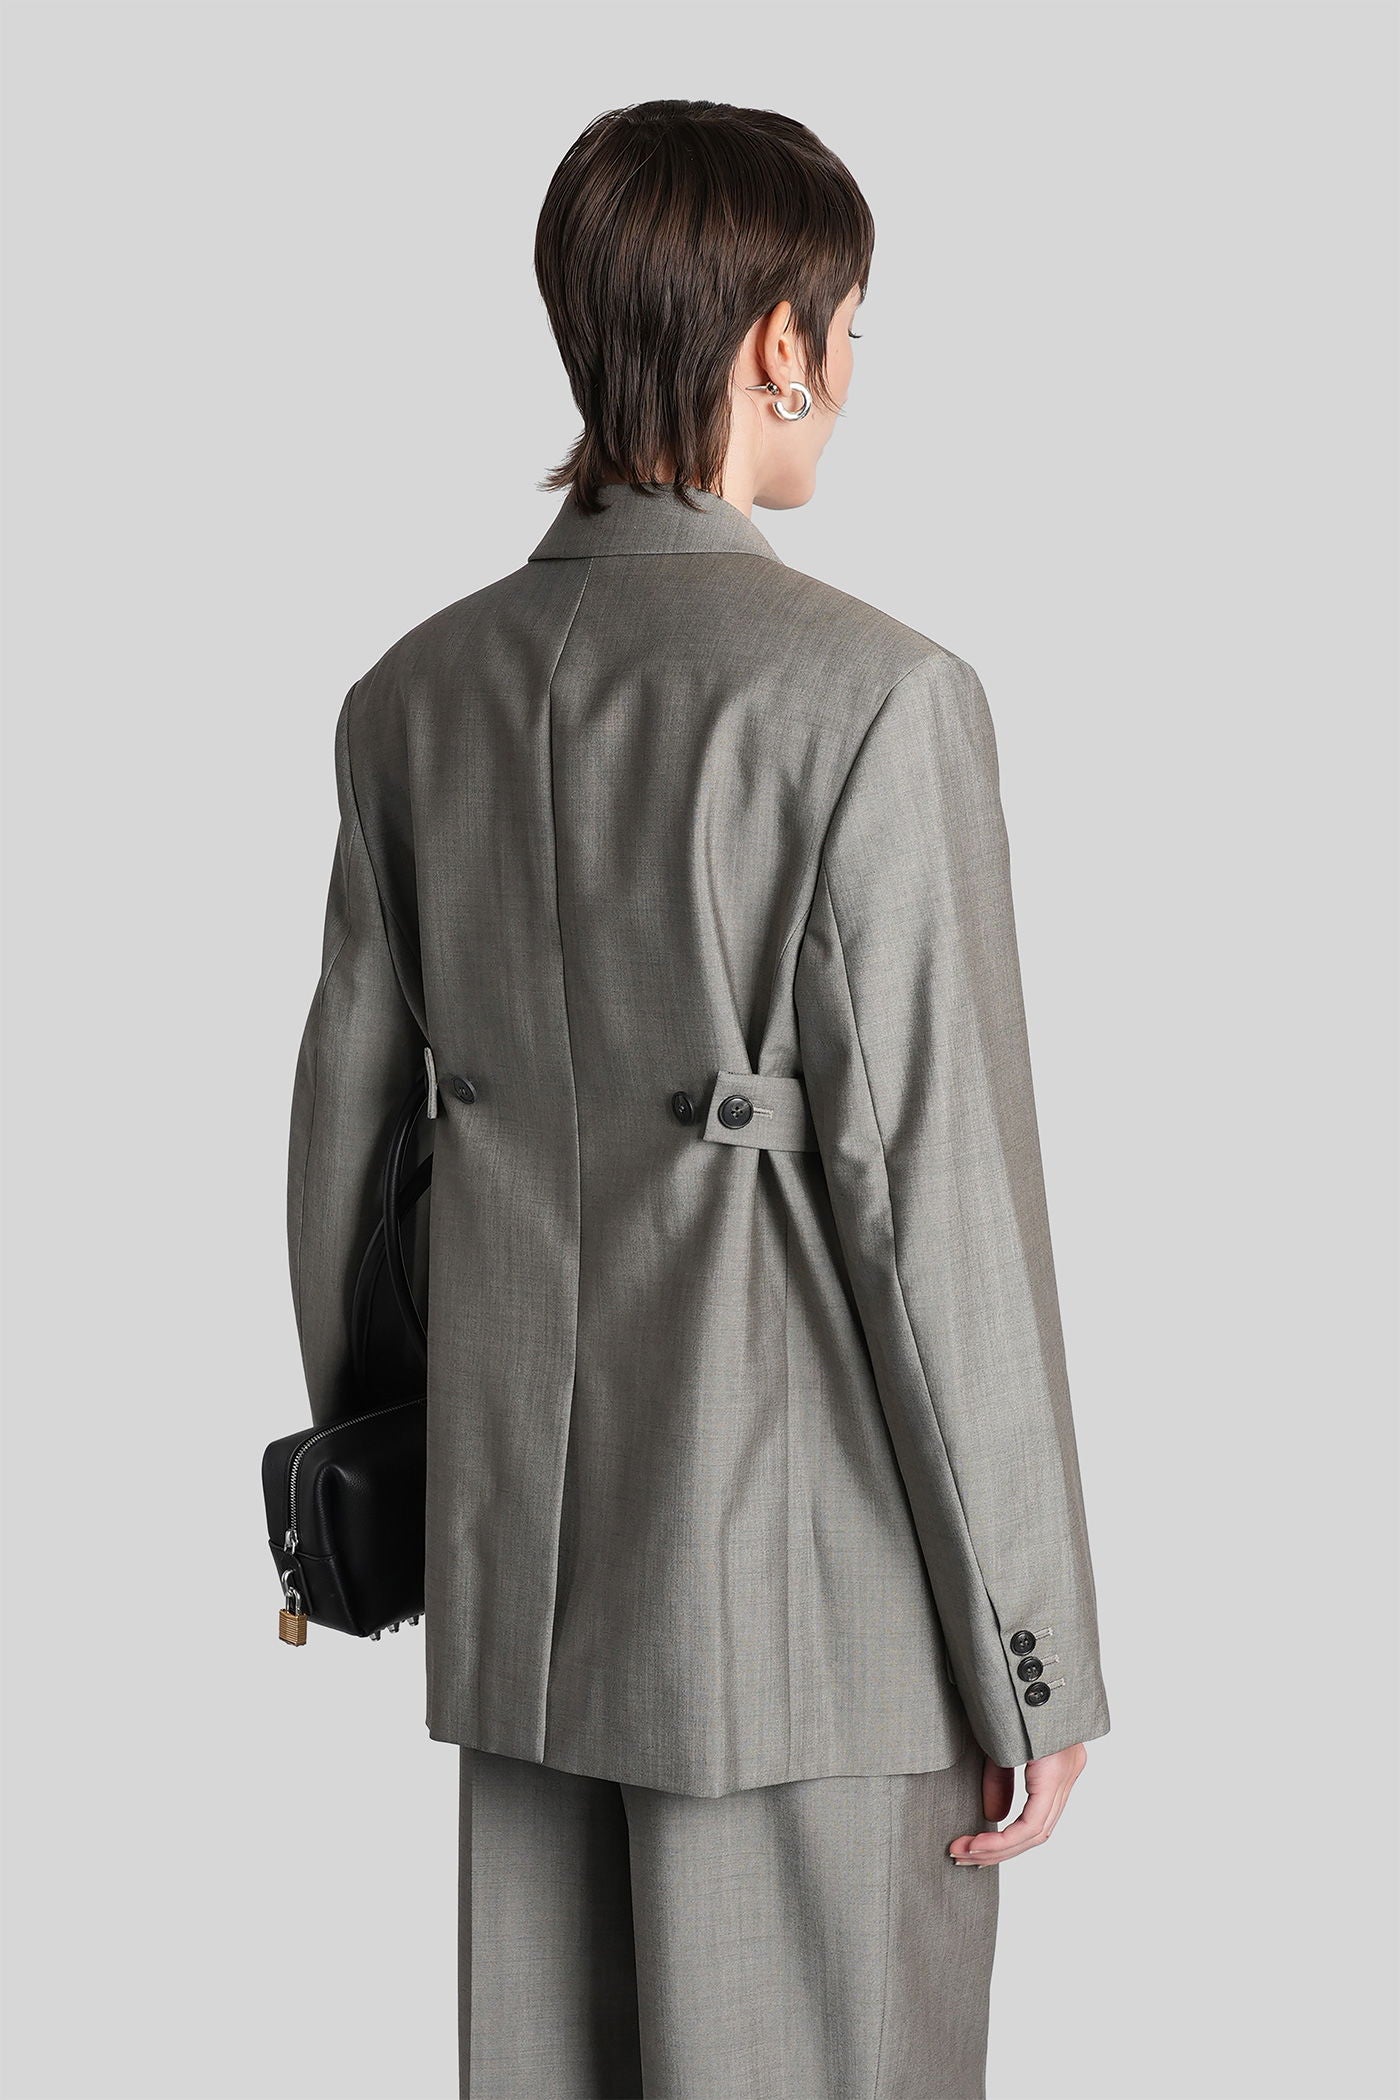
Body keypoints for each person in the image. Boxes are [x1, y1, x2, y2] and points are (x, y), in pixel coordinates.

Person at [286, 97, 1110, 2100]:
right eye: (850, 323)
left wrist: (428, 1496)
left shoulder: (413, 700)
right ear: (776, 342)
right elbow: (939, 1209)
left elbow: (346, 1166)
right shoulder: (875, 699)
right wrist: (1033, 1651)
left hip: (529, 1614)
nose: (853, 369)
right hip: (817, 1634)